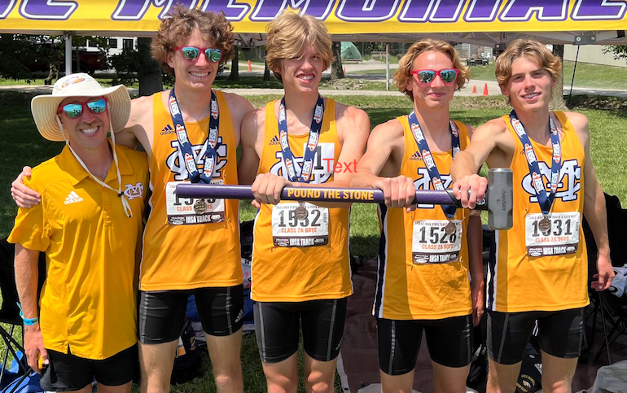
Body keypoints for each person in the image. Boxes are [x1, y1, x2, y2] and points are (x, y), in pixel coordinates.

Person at [11, 6, 254, 393]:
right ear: (171, 56)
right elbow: (88, 146)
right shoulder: (140, 115)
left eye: (211, 53)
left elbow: (263, 162)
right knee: (154, 379)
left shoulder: (239, 109)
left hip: (220, 265)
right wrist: (30, 179)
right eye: (190, 52)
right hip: (161, 267)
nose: (201, 62)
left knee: (228, 374)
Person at [450, 39, 615, 393]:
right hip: (515, 288)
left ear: (552, 77)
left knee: (559, 385)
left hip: (567, 284)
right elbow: (466, 157)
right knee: (501, 386)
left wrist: (603, 251)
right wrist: (466, 176)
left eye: (537, 74)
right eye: (518, 78)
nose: (529, 85)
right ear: (506, 89)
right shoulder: (498, 132)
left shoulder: (577, 126)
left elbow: (592, 193)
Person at [238, 12, 369, 393]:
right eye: (296, 56)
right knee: (279, 383)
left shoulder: (351, 120)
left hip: (326, 277)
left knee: (320, 383)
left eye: (315, 56)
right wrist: (260, 183)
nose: (307, 65)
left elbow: (349, 184)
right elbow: (245, 185)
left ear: (326, 60)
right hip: (273, 277)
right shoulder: (256, 124)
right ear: (277, 62)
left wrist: (290, 183)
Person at [350, 39, 483, 393]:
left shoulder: (469, 139)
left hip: (453, 293)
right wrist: (384, 182)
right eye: (425, 75)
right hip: (400, 296)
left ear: (457, 80)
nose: (436, 83)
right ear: (409, 81)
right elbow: (355, 177)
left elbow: (473, 219)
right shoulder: (393, 132)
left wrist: (479, 278)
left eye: (446, 75)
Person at [8, 73, 148, 392]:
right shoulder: (39, 183)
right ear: (60, 121)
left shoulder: (140, 166)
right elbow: (24, 256)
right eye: (73, 110)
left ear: (107, 111)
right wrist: (30, 326)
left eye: (96, 105)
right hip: (66, 330)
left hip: (123, 325)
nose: (87, 117)